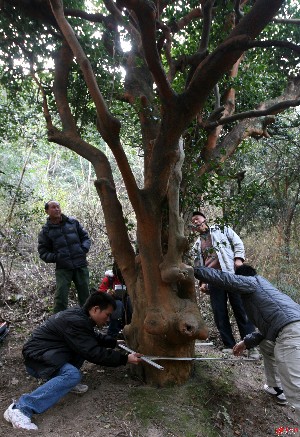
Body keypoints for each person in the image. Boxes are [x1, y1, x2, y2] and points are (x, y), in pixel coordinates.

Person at [3, 292, 142, 430]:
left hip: (47, 353)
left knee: (79, 352)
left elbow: (92, 337)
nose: (108, 320)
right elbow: (93, 353)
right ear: (95, 309)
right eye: (107, 315)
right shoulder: (76, 322)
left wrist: (114, 342)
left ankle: (64, 383)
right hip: (37, 360)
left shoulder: (80, 316)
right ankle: (21, 408)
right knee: (72, 375)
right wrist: (125, 358)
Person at [194, 264, 300, 416]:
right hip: (291, 331)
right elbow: (267, 331)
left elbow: (225, 279)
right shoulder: (267, 291)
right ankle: (275, 387)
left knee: (296, 392)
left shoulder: (251, 282)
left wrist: (195, 270)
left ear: (241, 277)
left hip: (291, 336)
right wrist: (245, 343)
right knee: (267, 345)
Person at [191, 211, 258, 358]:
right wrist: (202, 282)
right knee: (219, 312)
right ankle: (229, 345)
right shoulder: (196, 245)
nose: (195, 222)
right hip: (214, 280)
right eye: (193, 221)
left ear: (204, 219)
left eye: (197, 218)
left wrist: (238, 259)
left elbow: (237, 241)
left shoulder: (221, 229)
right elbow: (198, 265)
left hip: (230, 274)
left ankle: (251, 346)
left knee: (241, 309)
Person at [38, 200, 91, 313]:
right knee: (60, 298)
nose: (57, 209)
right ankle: (57, 325)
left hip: (80, 265)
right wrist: (57, 257)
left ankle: (88, 323)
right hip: (63, 268)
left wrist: (83, 249)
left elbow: (85, 238)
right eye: (53, 207)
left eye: (58, 206)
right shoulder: (46, 231)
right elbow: (43, 252)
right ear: (47, 211)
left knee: (86, 296)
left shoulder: (72, 223)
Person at [98, 262, 132, 338]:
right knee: (118, 305)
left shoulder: (128, 278)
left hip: (126, 300)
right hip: (112, 301)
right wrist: (107, 292)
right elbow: (100, 292)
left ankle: (129, 330)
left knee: (130, 304)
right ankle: (112, 333)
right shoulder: (110, 278)